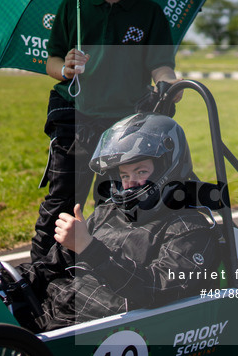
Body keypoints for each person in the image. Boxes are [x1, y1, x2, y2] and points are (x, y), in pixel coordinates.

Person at [32, 0, 180, 264]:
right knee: (62, 202)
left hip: (126, 128)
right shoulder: (73, 8)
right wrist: (64, 68)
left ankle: (104, 276)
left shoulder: (149, 13)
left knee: (115, 204)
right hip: (76, 121)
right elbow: (51, 62)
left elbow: (161, 66)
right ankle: (43, 272)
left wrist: (169, 85)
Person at [21, 113, 224, 330]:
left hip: (96, 330)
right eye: (124, 175)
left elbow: (156, 288)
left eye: (141, 171)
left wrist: (89, 248)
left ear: (167, 167)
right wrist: (11, 280)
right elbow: (48, 267)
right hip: (52, 310)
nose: (130, 183)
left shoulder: (189, 229)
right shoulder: (108, 212)